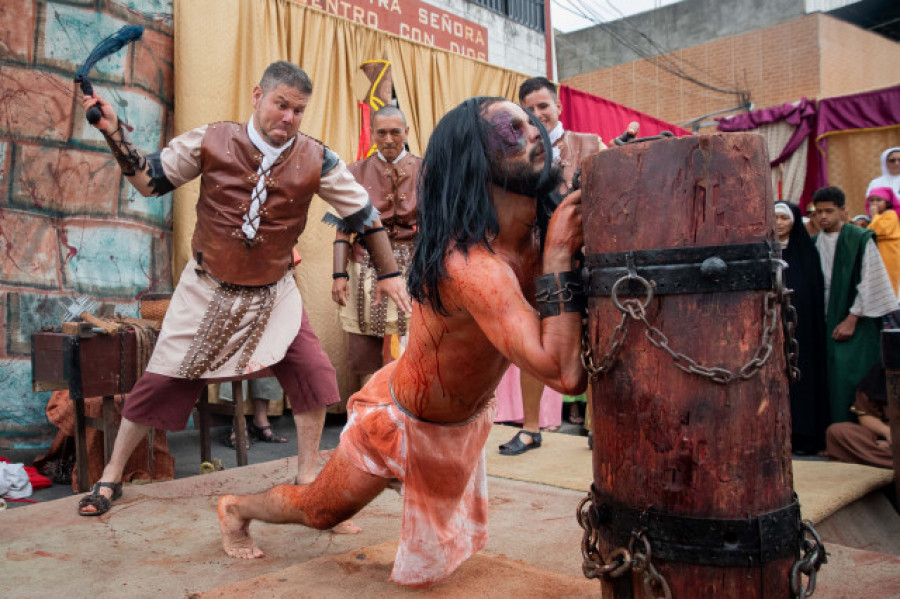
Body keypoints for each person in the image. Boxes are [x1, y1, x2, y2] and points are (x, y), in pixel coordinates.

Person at [217, 97, 587, 587]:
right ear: (474, 160)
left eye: (531, 123)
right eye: (510, 129)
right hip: (401, 422)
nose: (535, 132)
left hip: (460, 423)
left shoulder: (534, 234)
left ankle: (395, 483)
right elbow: (565, 373)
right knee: (319, 511)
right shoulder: (474, 266)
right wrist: (561, 253)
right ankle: (236, 508)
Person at [76, 61, 411, 518]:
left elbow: (363, 214)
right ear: (257, 96)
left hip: (274, 291)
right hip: (206, 288)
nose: (288, 117)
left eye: (298, 110)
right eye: (280, 104)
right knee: (159, 382)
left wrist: (390, 273)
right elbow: (150, 180)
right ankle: (111, 476)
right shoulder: (210, 140)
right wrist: (114, 134)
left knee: (312, 373)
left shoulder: (318, 159)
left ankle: (308, 477)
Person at [496, 76, 637, 455]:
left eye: (543, 106)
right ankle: (529, 428)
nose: (537, 114)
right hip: (538, 259)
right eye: (529, 109)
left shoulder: (590, 144)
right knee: (535, 340)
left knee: (600, 337)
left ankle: (599, 426)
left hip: (589, 256)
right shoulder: (519, 151)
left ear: (558, 106)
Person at [329, 106, 422, 385]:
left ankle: (408, 414)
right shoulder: (354, 172)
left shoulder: (428, 170)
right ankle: (367, 417)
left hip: (413, 268)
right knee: (364, 348)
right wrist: (338, 275)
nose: (389, 139)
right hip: (364, 269)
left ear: (406, 132)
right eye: (381, 132)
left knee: (415, 344)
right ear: (372, 135)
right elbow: (343, 229)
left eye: (395, 132)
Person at [813, 186, 897, 425]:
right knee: (827, 376)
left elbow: (871, 280)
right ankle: (831, 434)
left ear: (843, 211)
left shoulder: (859, 238)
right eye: (818, 212)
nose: (823, 217)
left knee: (850, 373)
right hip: (826, 315)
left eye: (829, 211)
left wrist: (852, 318)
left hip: (857, 319)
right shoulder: (814, 241)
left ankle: (856, 430)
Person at [774, 201, 829, 454]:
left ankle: (804, 434)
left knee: (803, 378)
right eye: (773, 218)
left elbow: (814, 292)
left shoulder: (806, 253)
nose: (778, 223)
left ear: (794, 221)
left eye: (783, 218)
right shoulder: (767, 253)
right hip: (772, 330)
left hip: (802, 330)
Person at [826, 363, 893, 469]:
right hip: (889, 436)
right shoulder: (881, 373)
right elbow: (865, 414)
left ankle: (876, 461)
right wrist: (888, 433)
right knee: (837, 432)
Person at [866, 186, 900, 296]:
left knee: (889, 280)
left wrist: (875, 216)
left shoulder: (891, 214)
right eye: (872, 200)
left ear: (887, 202)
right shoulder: (877, 217)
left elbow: (881, 230)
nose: (874, 203)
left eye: (878, 200)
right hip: (879, 250)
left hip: (889, 251)